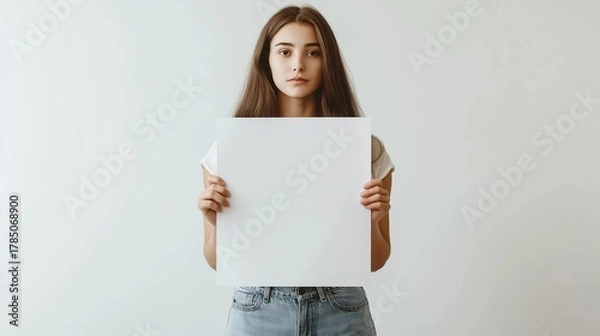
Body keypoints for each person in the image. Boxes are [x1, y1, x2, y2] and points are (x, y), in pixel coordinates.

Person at [197, 5, 395, 335]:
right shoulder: (229, 150)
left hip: (340, 309)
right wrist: (214, 223)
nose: (298, 64)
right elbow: (218, 261)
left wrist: (372, 222)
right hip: (258, 310)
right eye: (284, 51)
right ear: (267, 61)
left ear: (327, 61)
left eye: (313, 52)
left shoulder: (365, 150)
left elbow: (376, 261)